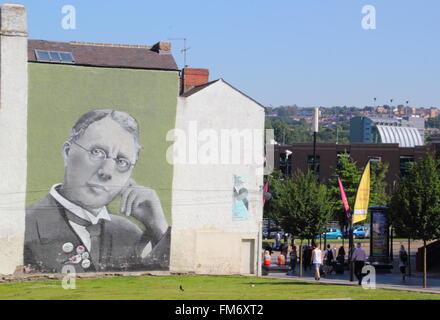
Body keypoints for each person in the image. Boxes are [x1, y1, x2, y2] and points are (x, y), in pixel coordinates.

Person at [24, 109, 171, 273]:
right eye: (97, 152)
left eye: (122, 162)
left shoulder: (128, 233)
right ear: (67, 152)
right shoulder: (23, 226)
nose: (107, 172)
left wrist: (159, 228)